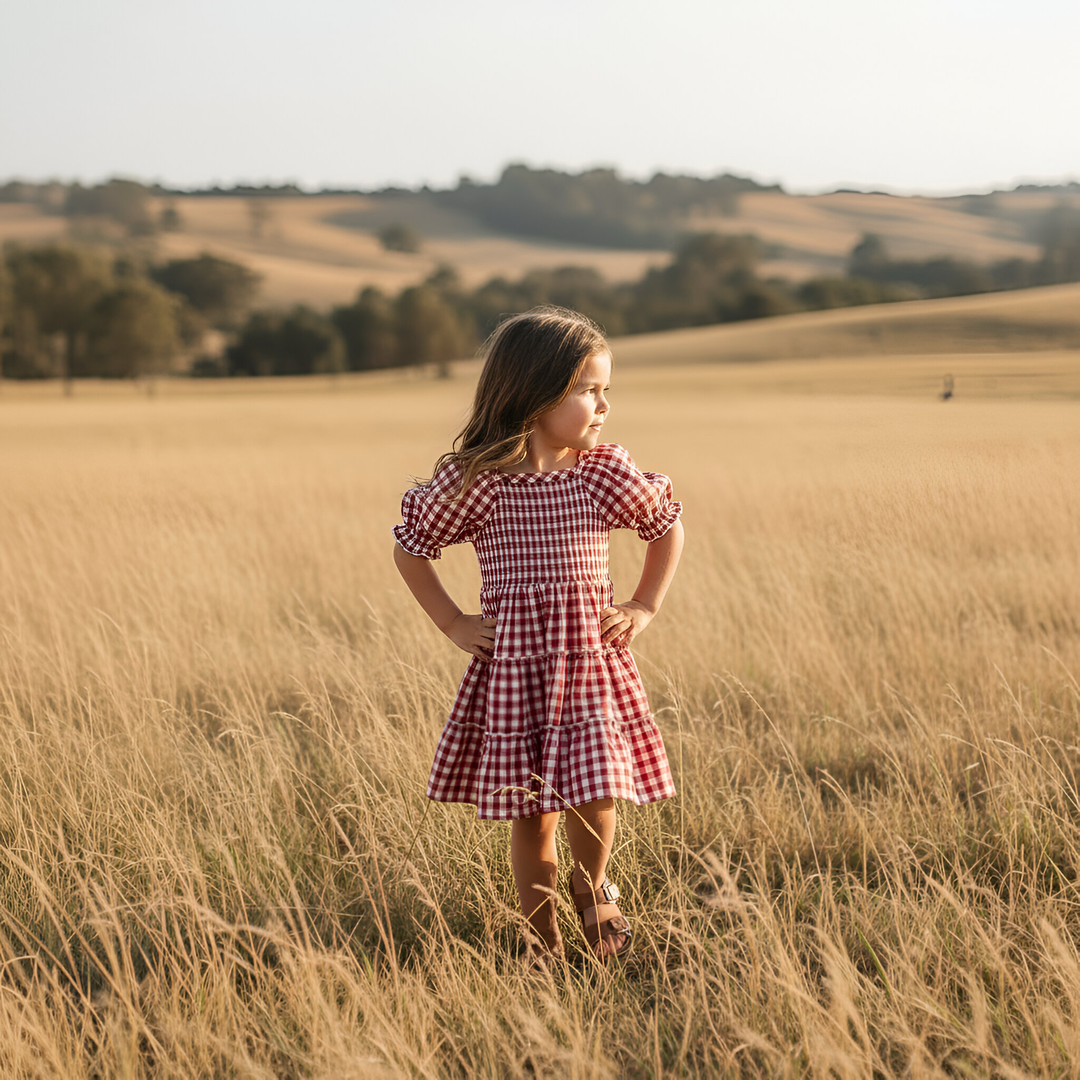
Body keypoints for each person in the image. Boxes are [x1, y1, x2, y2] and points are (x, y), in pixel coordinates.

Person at [392, 306, 684, 964]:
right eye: (589, 390)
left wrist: (643, 604)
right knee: (532, 813)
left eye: (606, 391)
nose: (603, 406)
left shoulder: (601, 474)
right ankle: (541, 933)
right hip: (518, 674)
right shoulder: (481, 485)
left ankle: (593, 884)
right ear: (535, 394)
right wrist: (454, 622)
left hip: (588, 668)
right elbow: (411, 548)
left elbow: (666, 524)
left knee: (601, 791)